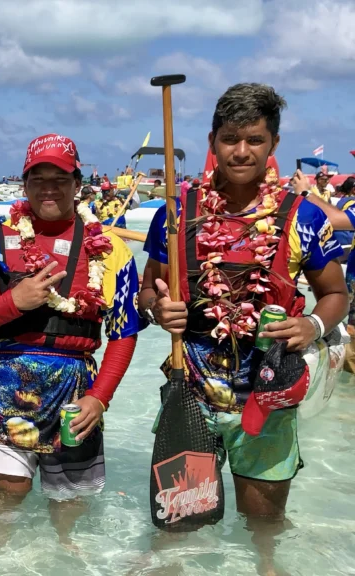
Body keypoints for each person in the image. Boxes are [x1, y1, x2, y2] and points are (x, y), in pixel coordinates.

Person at [139, 83, 347, 575]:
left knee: (264, 529)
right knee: (178, 527)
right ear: (212, 142)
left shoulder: (303, 216)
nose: (241, 151)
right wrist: (157, 309)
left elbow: (337, 294)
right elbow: (148, 290)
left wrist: (312, 324)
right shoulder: (176, 213)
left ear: (273, 144)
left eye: (254, 139)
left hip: (267, 395)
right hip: (190, 392)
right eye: (231, 138)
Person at [0, 133, 140, 550]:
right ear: (24, 185)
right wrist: (12, 302)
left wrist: (100, 398)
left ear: (78, 183)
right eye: (39, 179)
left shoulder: (113, 251)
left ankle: (63, 550)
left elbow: (124, 334)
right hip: (6, 383)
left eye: (61, 178)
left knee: (68, 503)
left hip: (77, 391)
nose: (50, 188)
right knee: (6, 495)